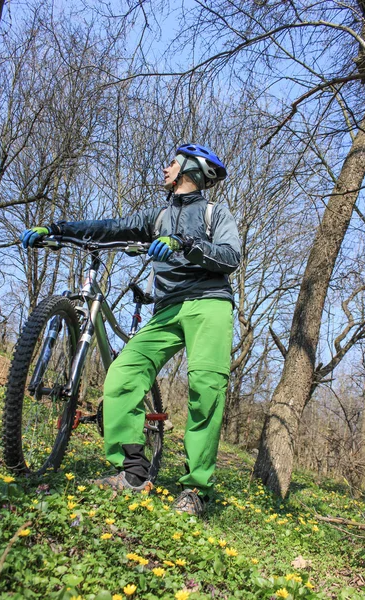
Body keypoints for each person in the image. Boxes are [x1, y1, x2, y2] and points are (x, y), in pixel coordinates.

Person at [21, 143, 241, 516]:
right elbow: (110, 228)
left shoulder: (213, 212)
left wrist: (186, 244)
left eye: (172, 162)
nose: (166, 168)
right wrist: (58, 229)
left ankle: (195, 491)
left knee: (206, 389)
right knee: (123, 374)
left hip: (209, 303)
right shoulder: (157, 216)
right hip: (167, 309)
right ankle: (134, 474)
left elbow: (230, 256)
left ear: (191, 168)